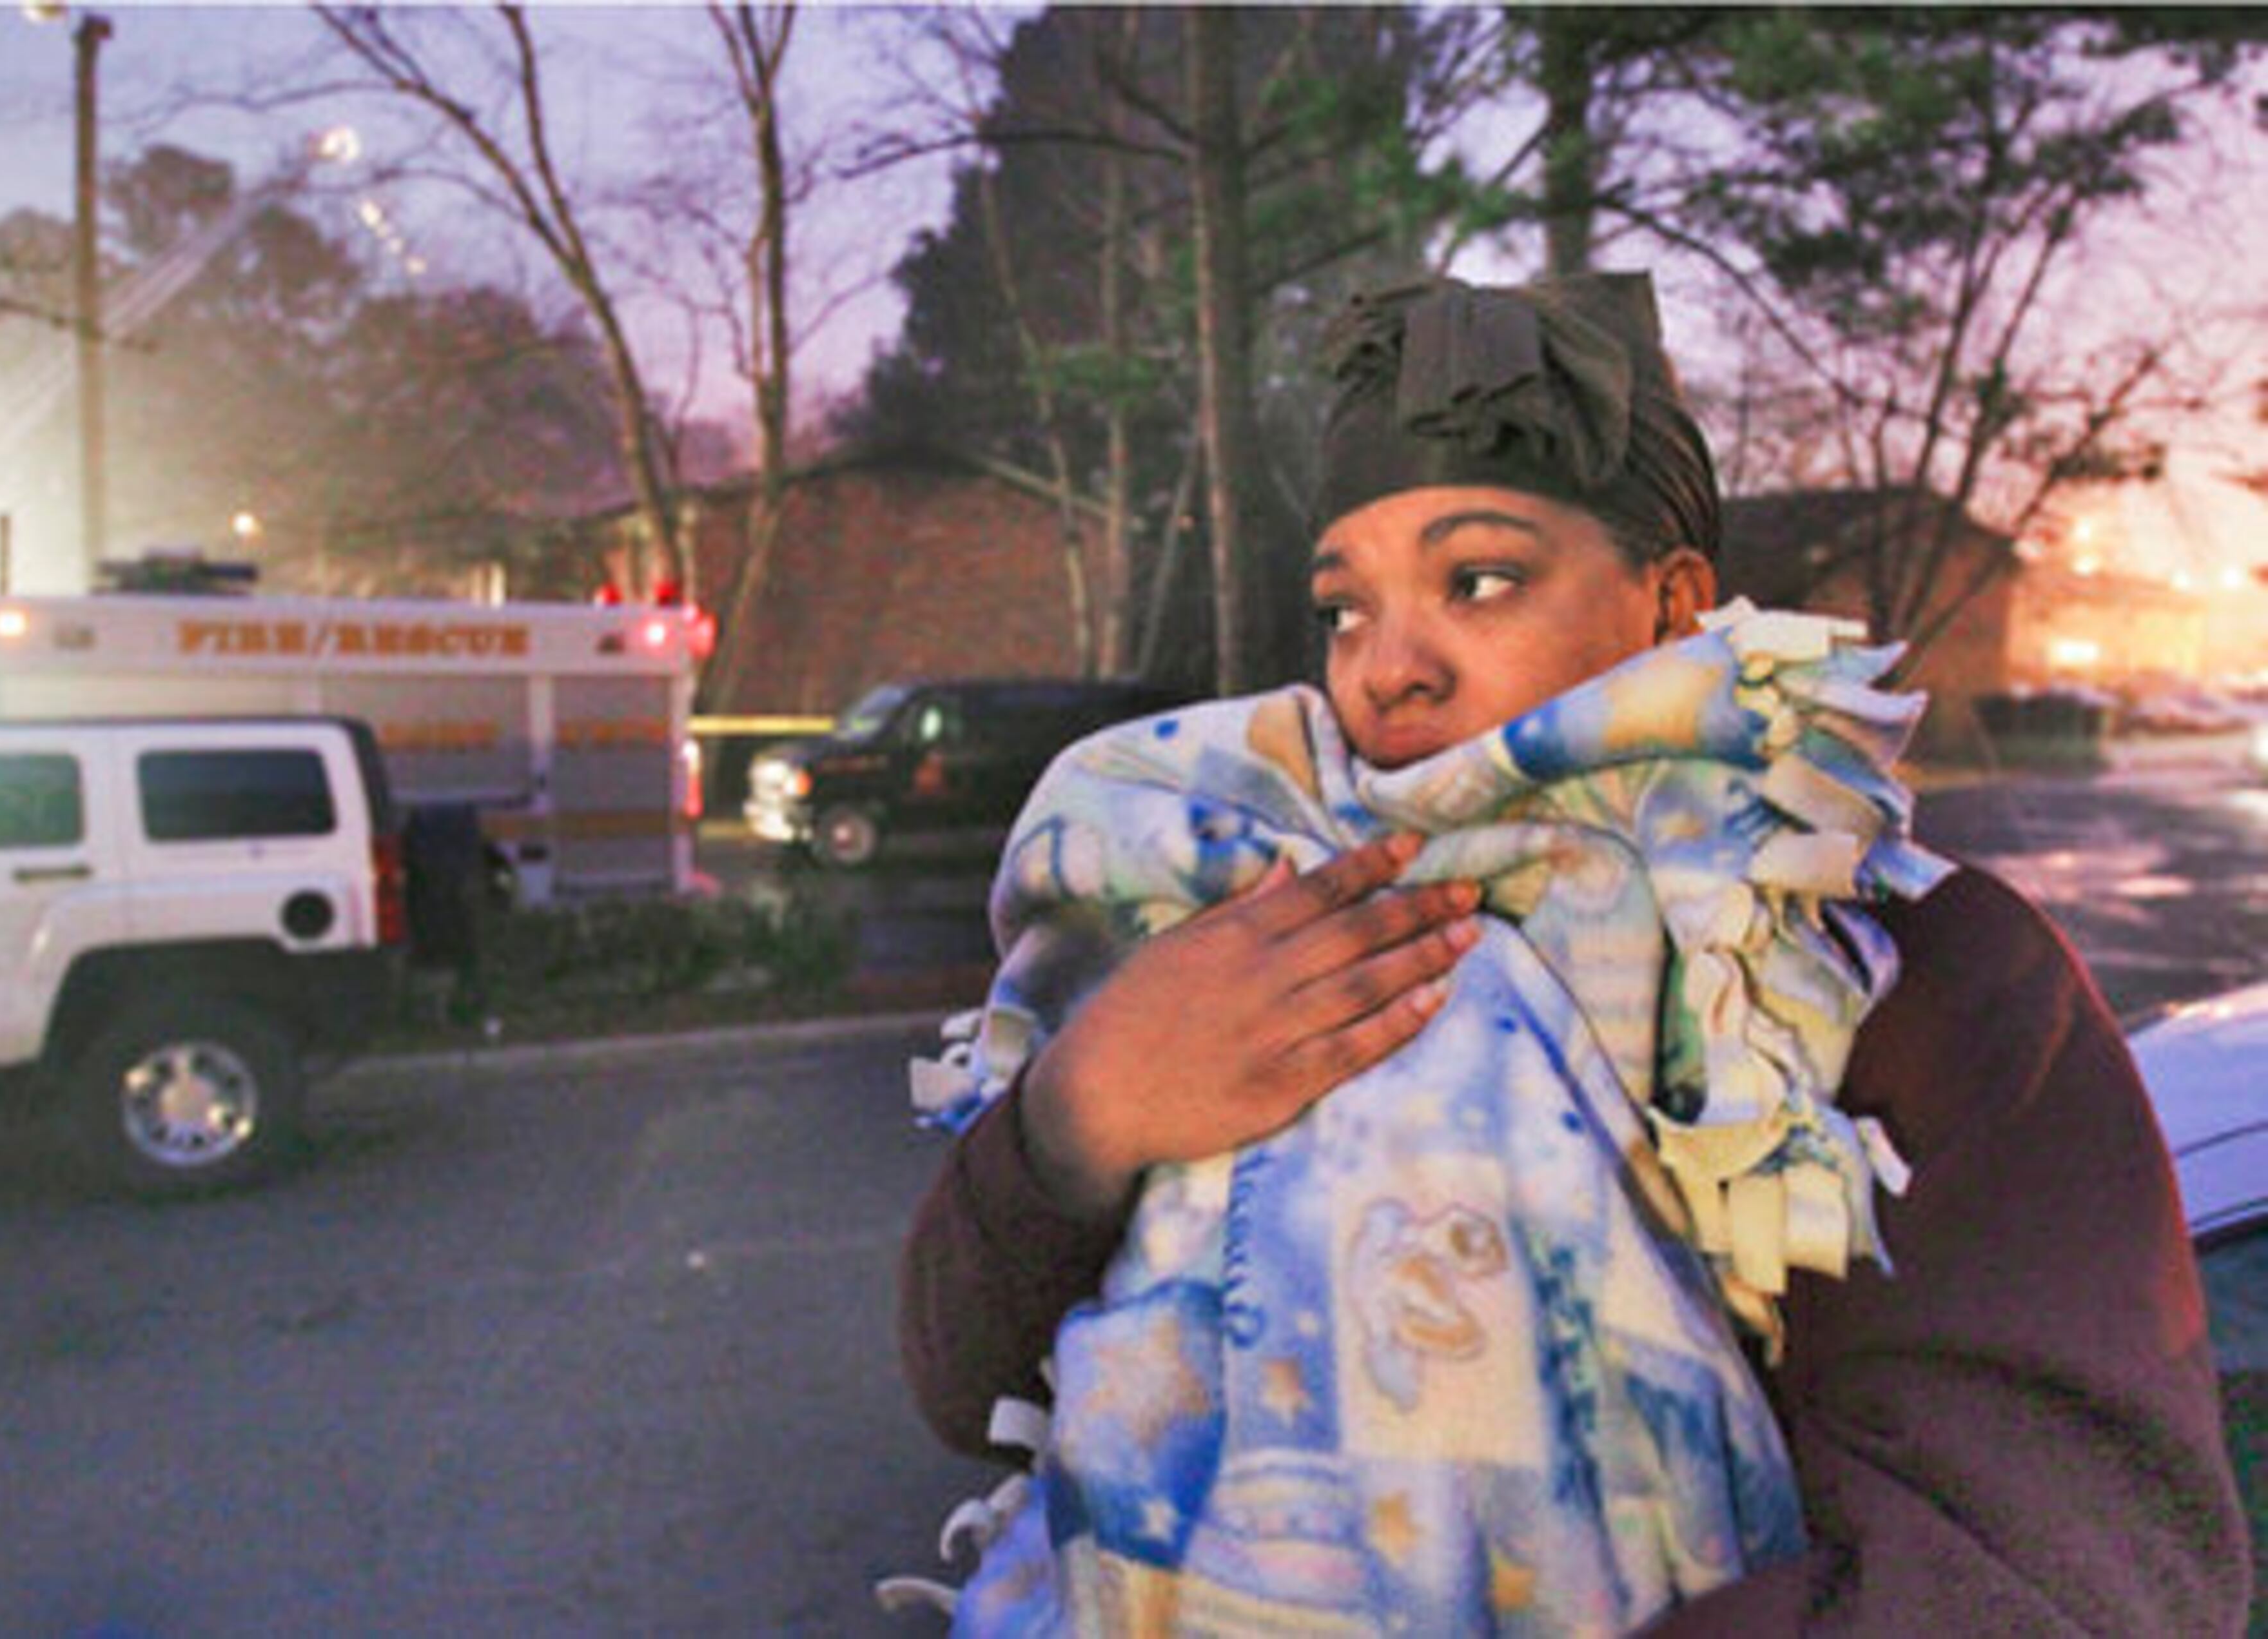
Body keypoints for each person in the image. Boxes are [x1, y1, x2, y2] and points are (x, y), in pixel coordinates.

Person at [894, 272, 2249, 1633]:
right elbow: (967, 1387)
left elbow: (2058, 1586)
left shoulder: (1904, 969)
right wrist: (1079, 1115)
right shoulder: (1255, 904)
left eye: (1478, 581)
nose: (1387, 670)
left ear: (1670, 607)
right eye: (1345, 607)